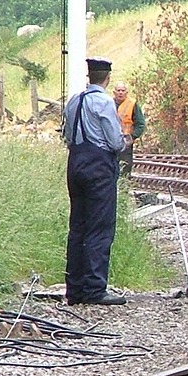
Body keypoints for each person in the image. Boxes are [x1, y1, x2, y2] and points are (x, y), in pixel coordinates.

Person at [62, 57, 128, 306]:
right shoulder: (104, 102)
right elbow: (114, 141)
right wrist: (124, 143)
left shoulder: (73, 101)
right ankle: (94, 287)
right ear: (107, 78)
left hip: (75, 162)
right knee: (100, 226)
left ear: (90, 76)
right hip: (98, 166)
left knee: (77, 225)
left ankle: (74, 288)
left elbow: (68, 135)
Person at [112, 81, 146, 179]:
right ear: (114, 92)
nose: (120, 93)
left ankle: (123, 190)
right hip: (110, 143)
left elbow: (140, 124)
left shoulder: (132, 104)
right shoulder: (108, 103)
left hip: (126, 144)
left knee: (124, 170)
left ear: (127, 92)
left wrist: (132, 136)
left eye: (123, 90)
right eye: (118, 90)